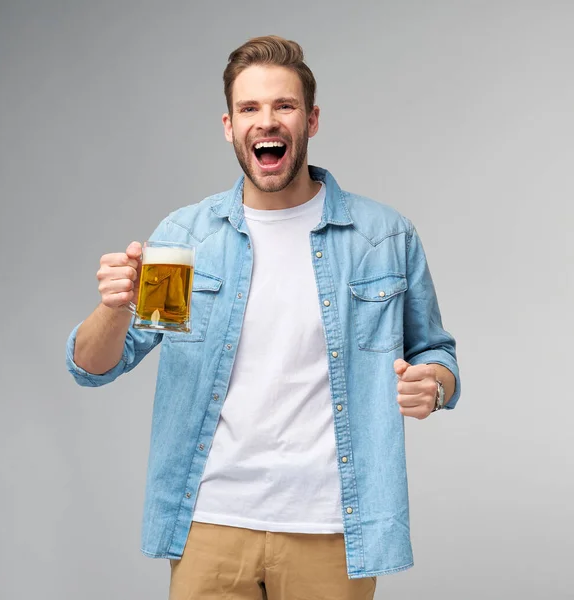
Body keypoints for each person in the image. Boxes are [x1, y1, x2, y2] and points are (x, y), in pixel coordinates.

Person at [66, 35, 461, 600]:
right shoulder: (185, 241)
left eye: (284, 105)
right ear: (229, 125)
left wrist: (437, 386)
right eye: (249, 108)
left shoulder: (382, 238)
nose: (266, 121)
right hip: (210, 523)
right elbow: (94, 366)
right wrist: (113, 308)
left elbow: (435, 353)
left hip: (332, 528)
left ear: (311, 119)